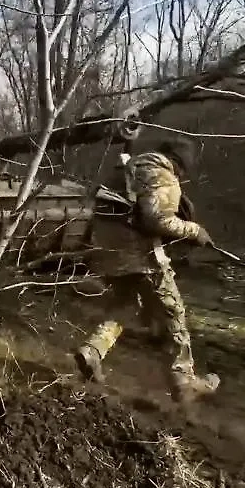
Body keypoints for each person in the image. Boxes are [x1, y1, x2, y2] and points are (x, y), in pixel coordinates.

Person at [74, 138, 220, 403]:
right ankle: (183, 380)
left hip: (107, 251)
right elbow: (156, 220)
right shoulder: (162, 175)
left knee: (125, 304)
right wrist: (195, 231)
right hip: (140, 257)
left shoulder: (126, 170)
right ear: (181, 166)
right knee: (172, 311)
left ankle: (93, 350)